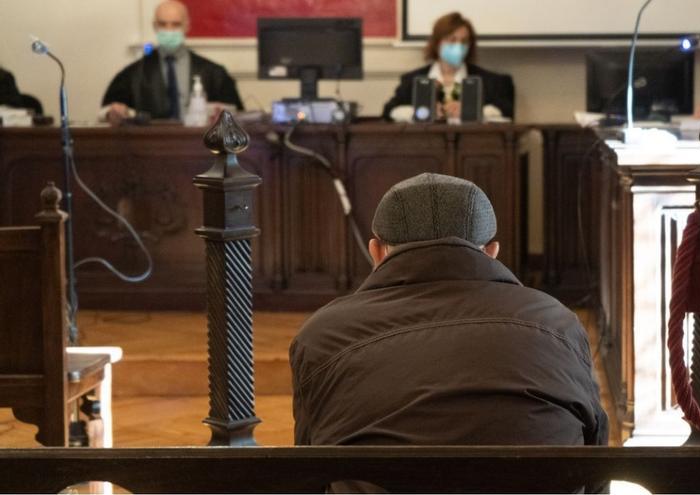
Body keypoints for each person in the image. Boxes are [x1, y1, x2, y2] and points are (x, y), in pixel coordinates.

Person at [290, 173, 607, 490]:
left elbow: (308, 473)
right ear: (492, 251)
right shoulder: (557, 322)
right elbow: (595, 459)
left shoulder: (323, 335)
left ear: (377, 253)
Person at [100, 0, 242, 125]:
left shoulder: (214, 73)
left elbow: (239, 115)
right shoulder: (133, 75)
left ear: (187, 26)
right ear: (155, 26)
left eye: (176, 24)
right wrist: (112, 113)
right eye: (163, 24)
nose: (169, 30)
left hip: (200, 147)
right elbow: (106, 112)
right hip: (149, 148)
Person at [382, 12, 515, 122]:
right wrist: (421, 111)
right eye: (452, 40)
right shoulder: (412, 80)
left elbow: (507, 111)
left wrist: (472, 111)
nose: (458, 46)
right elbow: (390, 111)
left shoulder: (491, 81)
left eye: (464, 41)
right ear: (436, 43)